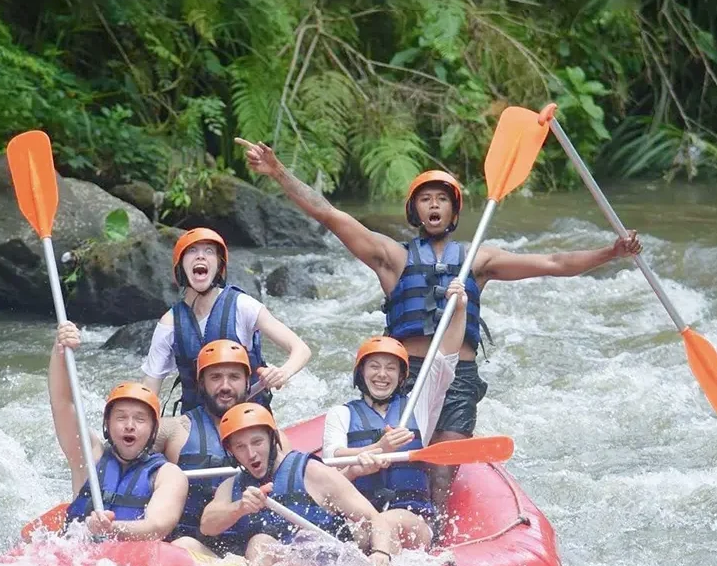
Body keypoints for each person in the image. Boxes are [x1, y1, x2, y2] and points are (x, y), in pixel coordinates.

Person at [234, 138, 642, 509]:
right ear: (414, 210)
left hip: (457, 375)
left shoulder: (478, 261)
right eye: (425, 199)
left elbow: (553, 264)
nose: (433, 205)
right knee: (389, 459)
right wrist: (279, 172)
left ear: (453, 210)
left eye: (441, 200)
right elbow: (330, 216)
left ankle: (438, 532)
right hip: (403, 376)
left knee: (442, 467)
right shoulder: (391, 257)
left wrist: (611, 252)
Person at [322, 279, 467, 549]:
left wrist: (459, 311)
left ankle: (381, 558)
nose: (381, 374)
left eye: (391, 368)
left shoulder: (418, 405)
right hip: (363, 517)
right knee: (366, 530)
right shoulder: (340, 414)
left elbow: (445, 357)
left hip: (412, 520)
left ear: (401, 376)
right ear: (361, 374)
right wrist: (377, 450)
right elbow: (331, 457)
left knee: (385, 522)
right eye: (374, 366)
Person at [200, 403, 397, 566]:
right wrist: (240, 508)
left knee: (260, 544)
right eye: (240, 447)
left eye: (257, 442)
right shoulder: (231, 487)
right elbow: (206, 527)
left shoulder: (312, 473)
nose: (251, 454)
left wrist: (381, 553)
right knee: (186, 545)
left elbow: (374, 517)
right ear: (231, 452)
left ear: (272, 439)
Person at [141, 227, 311, 415]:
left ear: (219, 267)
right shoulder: (170, 323)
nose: (200, 257)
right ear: (180, 268)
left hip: (247, 419)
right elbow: (150, 390)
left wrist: (282, 373)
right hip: (197, 424)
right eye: (192, 251)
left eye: (209, 251)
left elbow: (301, 349)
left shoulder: (243, 306)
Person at [50, 322, 188, 540]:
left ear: (153, 429)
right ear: (108, 425)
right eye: (121, 417)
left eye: (140, 419)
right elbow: (62, 404)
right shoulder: (88, 456)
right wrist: (59, 351)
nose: (129, 425)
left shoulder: (168, 475)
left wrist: (110, 528)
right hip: (76, 557)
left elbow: (157, 527)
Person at [155, 339, 291, 556]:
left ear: (248, 382)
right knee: (183, 547)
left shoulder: (275, 439)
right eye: (215, 377)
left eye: (234, 377)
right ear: (201, 384)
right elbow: (118, 455)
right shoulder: (175, 430)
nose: (225, 386)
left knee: (262, 545)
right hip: (197, 550)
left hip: (254, 551)